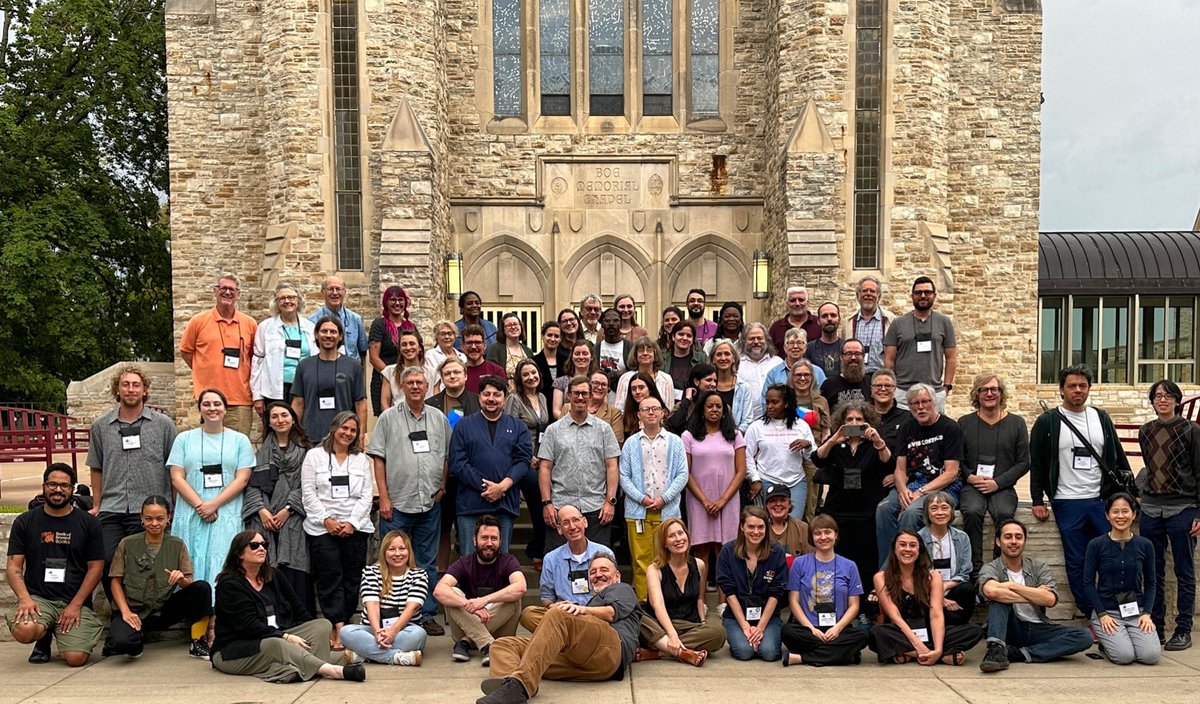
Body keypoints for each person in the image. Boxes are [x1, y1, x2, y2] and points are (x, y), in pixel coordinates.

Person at [1030, 364, 1133, 612]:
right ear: (1061, 390)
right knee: (1077, 561)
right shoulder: (1047, 421)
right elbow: (1038, 463)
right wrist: (1037, 499)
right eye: (1072, 386)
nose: (1078, 390)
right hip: (1066, 501)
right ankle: (1090, 612)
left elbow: (1118, 457)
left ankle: (1117, 610)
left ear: (1089, 388)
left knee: (1114, 557)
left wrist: (1128, 497)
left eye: (1082, 385)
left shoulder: (1101, 418)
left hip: (1101, 500)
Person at [479, 552, 641, 704]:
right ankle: (507, 685)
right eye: (593, 572)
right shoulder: (592, 602)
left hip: (610, 651)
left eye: (604, 570)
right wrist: (563, 610)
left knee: (558, 615)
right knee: (503, 644)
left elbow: (611, 613)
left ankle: (520, 685)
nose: (598, 574)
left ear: (617, 576)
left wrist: (579, 610)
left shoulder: (622, 588)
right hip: (581, 661)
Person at [211, 530, 366, 683]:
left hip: (275, 635)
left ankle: (302, 668)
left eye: (264, 545)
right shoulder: (230, 584)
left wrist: (315, 632)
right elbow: (248, 626)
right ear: (239, 554)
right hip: (235, 650)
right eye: (254, 545)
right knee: (275, 643)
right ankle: (332, 670)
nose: (262, 548)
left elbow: (298, 608)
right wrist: (285, 636)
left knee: (322, 625)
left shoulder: (273, 575)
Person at [368, 365, 453, 637]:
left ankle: (426, 615)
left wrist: (442, 486)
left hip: (429, 503)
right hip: (396, 504)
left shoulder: (439, 418)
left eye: (420, 382)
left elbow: (445, 457)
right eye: (410, 382)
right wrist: (383, 497)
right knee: (392, 560)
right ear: (402, 387)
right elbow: (378, 459)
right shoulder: (388, 418)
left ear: (427, 387)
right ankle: (391, 615)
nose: (415, 386)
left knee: (426, 562)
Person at [85, 365, 177, 588]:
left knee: (143, 565)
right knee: (107, 561)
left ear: (145, 390)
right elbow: (96, 467)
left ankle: (139, 607)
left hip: (150, 509)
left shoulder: (164, 425)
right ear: (117, 390)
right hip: (112, 507)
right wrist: (97, 504)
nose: (131, 389)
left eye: (136, 385)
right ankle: (118, 607)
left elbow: (174, 468)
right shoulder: (100, 426)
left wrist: (173, 506)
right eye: (125, 385)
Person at [5, 464, 105, 666]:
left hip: (74, 600)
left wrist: (76, 605)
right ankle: (43, 636)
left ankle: (62, 634)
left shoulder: (89, 523)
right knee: (25, 631)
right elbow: (14, 567)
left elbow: (96, 568)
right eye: (52, 484)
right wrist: (25, 600)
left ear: (72, 489)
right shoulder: (25, 521)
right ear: (44, 486)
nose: (58, 490)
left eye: (64, 486)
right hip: (39, 599)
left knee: (76, 658)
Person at [976, 519, 1094, 673]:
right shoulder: (991, 567)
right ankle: (996, 650)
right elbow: (991, 592)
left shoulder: (1039, 567)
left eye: (1019, 537)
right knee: (999, 599)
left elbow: (1050, 599)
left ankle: (1019, 654)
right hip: (1010, 627)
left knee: (1084, 636)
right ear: (998, 541)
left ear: (1024, 541)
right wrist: (1035, 593)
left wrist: (1012, 586)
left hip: (1038, 627)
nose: (1013, 541)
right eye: (1008, 537)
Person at [168, 388, 254, 594]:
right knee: (191, 560)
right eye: (206, 404)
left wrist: (213, 505)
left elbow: (242, 478)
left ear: (225, 409)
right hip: (192, 510)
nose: (212, 408)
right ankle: (194, 608)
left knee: (223, 559)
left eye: (217, 404)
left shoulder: (240, 440)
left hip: (226, 511)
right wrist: (201, 505)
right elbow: (176, 477)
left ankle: (220, 608)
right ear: (199, 409)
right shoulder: (184, 439)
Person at [105, 496, 213, 659]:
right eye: (148, 518)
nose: (154, 523)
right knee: (121, 644)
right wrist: (126, 612)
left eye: (160, 518)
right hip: (134, 610)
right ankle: (135, 637)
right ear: (141, 518)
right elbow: (115, 581)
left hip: (163, 610)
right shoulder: (127, 543)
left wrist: (181, 579)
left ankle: (198, 641)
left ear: (168, 518)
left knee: (202, 587)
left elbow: (189, 583)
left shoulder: (177, 544)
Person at [301, 411, 373, 651]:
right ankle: (337, 625)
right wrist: (326, 520)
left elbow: (366, 495)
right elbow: (308, 492)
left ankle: (347, 621)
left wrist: (352, 522)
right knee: (329, 576)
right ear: (334, 428)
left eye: (353, 430)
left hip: (355, 527)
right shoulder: (314, 456)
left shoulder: (361, 460)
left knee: (353, 578)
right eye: (344, 428)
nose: (348, 433)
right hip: (322, 528)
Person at [1138, 379, 1200, 651]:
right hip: (1151, 508)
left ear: (1177, 400)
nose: (1162, 400)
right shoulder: (1146, 430)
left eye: (1168, 396)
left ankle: (1183, 629)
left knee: (1184, 570)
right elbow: (1150, 467)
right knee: (1153, 571)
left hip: (1183, 508)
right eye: (1157, 396)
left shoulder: (1191, 430)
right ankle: (1156, 627)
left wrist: (1199, 512)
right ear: (1152, 401)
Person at [875, 384, 964, 569]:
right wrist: (902, 490)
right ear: (909, 406)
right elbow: (900, 469)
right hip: (913, 483)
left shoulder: (950, 427)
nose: (921, 407)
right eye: (915, 403)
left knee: (911, 513)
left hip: (943, 487)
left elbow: (952, 473)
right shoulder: (906, 427)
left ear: (934, 402)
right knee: (884, 509)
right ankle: (889, 567)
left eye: (925, 402)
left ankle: (898, 570)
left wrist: (921, 492)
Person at [813, 400, 893, 595]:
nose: (854, 423)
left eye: (859, 419)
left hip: (866, 510)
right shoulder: (836, 443)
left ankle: (865, 602)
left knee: (865, 559)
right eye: (849, 419)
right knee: (839, 557)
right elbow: (817, 459)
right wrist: (834, 439)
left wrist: (878, 441)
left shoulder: (874, 444)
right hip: (838, 509)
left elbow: (888, 462)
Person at [869, 531, 983, 666]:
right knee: (877, 633)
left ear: (919, 550)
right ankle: (934, 654)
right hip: (901, 631)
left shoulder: (933, 577)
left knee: (974, 631)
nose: (907, 549)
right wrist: (919, 647)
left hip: (928, 631)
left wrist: (938, 649)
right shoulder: (881, 577)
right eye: (902, 545)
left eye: (913, 545)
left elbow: (936, 615)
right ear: (894, 549)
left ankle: (910, 653)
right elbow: (895, 616)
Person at [958, 373, 1030, 578]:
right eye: (984, 390)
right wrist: (970, 477)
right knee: (972, 511)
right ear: (977, 394)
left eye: (994, 389)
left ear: (1001, 393)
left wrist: (998, 483)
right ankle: (974, 571)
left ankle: (1000, 570)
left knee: (1005, 513)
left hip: (1003, 486)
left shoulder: (1016, 423)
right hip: (973, 485)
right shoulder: (964, 423)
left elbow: (1024, 462)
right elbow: (957, 459)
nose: (989, 394)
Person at [244, 401, 314, 612]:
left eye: (284, 415)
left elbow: (310, 486)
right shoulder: (258, 453)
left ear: (293, 419)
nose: (280, 420)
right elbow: (251, 485)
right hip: (265, 520)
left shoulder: (307, 452)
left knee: (294, 569)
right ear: (269, 422)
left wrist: (288, 509)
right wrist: (262, 511)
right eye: (274, 417)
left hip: (294, 519)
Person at [538, 376, 621, 550]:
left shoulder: (604, 429)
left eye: (584, 393)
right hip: (561, 508)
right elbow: (545, 468)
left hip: (597, 509)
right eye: (576, 393)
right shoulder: (553, 430)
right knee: (559, 561)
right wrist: (546, 503)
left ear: (591, 396)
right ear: (568, 395)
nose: (580, 397)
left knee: (598, 561)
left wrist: (610, 502)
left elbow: (612, 466)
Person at [451, 375, 533, 550]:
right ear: (479, 396)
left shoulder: (518, 427)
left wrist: (502, 487)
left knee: (501, 560)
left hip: (504, 504)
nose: (491, 399)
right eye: (486, 394)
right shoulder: (463, 426)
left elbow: (523, 461)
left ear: (505, 398)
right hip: (470, 505)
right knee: (469, 560)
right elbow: (458, 463)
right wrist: (486, 487)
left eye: (497, 394)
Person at [619, 395, 689, 599]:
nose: (651, 412)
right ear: (638, 414)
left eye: (655, 408)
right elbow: (623, 476)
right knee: (640, 561)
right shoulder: (631, 443)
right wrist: (641, 498)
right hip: (637, 512)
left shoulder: (675, 442)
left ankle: (666, 604)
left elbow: (682, 474)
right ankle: (644, 604)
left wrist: (664, 498)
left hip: (668, 511)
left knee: (667, 559)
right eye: (645, 409)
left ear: (663, 413)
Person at [434, 516, 528, 665]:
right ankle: (488, 644)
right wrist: (468, 605)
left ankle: (467, 641)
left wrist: (483, 601)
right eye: (484, 538)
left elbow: (521, 587)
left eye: (494, 538)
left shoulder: (508, 561)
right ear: (474, 540)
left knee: (513, 596)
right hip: (467, 625)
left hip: (500, 630)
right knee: (452, 593)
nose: (489, 543)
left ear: (500, 542)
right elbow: (439, 590)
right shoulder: (464, 563)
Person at [781, 514, 870, 667]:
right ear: (812, 537)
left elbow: (854, 605)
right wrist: (811, 628)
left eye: (827, 532)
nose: (823, 537)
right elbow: (793, 601)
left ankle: (801, 658)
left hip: (838, 628)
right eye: (817, 533)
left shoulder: (849, 566)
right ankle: (844, 654)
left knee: (863, 635)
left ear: (836, 535)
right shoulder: (799, 563)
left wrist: (837, 628)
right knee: (787, 632)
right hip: (808, 628)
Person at [1082, 492, 1161, 665]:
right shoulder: (1096, 545)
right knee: (1124, 657)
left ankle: (1125, 639)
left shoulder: (1145, 545)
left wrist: (1147, 613)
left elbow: (1151, 583)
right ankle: (1107, 642)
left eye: (1125, 511)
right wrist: (1102, 614)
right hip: (1107, 612)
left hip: (1136, 612)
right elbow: (1087, 584)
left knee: (1151, 656)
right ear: (1107, 515)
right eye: (1115, 511)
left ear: (1133, 514)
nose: (1120, 516)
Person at [635, 518, 724, 665]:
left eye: (681, 533)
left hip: (689, 625)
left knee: (718, 633)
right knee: (636, 615)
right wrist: (672, 634)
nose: (678, 539)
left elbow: (699, 599)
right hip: (660, 625)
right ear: (664, 543)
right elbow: (658, 606)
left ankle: (658, 652)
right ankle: (683, 651)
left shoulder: (699, 565)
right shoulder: (655, 569)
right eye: (671, 536)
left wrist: (703, 623)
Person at [180, 274, 258, 435]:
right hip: (207, 399)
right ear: (215, 291)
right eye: (223, 288)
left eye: (232, 289)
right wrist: (204, 371)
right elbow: (186, 351)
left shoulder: (249, 324)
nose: (228, 292)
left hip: (240, 400)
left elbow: (253, 359)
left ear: (238, 294)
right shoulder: (198, 321)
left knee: (238, 446)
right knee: (206, 445)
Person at [338, 530, 427, 666]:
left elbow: (411, 608)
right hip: (372, 630)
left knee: (418, 634)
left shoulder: (419, 575)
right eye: (391, 549)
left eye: (402, 549)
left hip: (404, 629)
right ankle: (397, 657)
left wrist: (393, 632)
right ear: (384, 552)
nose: (397, 554)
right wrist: (377, 632)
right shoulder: (370, 572)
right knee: (345, 632)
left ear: (409, 551)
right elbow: (372, 604)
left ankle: (364, 654)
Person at [683, 389, 746, 581]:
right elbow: (686, 473)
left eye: (719, 406)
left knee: (725, 551)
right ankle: (700, 597)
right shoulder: (688, 436)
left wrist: (722, 501)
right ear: (701, 410)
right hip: (698, 500)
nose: (714, 409)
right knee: (701, 551)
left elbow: (741, 471)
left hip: (728, 499)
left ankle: (725, 597)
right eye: (709, 406)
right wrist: (705, 501)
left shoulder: (735, 435)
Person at [520, 505, 613, 633]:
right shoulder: (551, 559)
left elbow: (614, 591)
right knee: (528, 614)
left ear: (585, 522)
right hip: (565, 617)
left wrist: (590, 611)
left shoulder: (604, 553)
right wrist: (552, 606)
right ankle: (573, 636)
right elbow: (547, 596)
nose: (572, 527)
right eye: (566, 523)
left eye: (576, 520)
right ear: (559, 529)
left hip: (595, 615)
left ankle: (568, 637)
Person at [716, 506, 787, 661]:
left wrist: (760, 628)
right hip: (736, 616)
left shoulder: (777, 552)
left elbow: (776, 593)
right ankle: (744, 639)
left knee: (769, 653)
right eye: (751, 526)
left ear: (767, 528)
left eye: (761, 527)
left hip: (768, 617)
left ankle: (760, 639)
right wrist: (745, 627)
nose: (756, 532)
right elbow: (729, 592)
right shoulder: (728, 551)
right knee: (744, 652)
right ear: (742, 527)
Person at [883, 276, 957, 412]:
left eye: (927, 292)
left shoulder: (944, 322)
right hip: (903, 392)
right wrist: (891, 387)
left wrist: (946, 387)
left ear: (934, 295)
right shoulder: (898, 323)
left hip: (934, 392)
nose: (923, 296)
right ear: (912, 296)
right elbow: (889, 359)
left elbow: (951, 357)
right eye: (918, 292)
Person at [290, 315, 368, 441]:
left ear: (340, 336)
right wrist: (294, 433)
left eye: (333, 332)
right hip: (310, 436)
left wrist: (361, 434)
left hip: (344, 436)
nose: (328, 335)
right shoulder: (304, 365)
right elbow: (298, 403)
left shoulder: (353, 366)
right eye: (324, 331)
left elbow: (360, 403)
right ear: (316, 335)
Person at [505, 359, 552, 565]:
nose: (531, 377)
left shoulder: (541, 397)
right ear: (519, 378)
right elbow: (509, 431)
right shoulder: (514, 399)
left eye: (533, 373)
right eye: (525, 374)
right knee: (542, 502)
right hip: (523, 460)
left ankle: (538, 548)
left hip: (543, 458)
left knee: (542, 505)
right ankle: (537, 551)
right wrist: (528, 456)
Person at [745, 384, 814, 517]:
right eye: (767, 402)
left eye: (774, 402)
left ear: (786, 403)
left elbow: (812, 458)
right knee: (769, 523)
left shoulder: (801, 425)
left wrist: (808, 445)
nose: (769, 406)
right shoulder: (756, 427)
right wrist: (755, 479)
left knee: (794, 523)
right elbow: (747, 455)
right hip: (767, 481)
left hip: (795, 483)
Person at [251, 282, 316, 416]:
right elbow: (257, 361)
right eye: (282, 298)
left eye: (291, 297)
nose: (287, 301)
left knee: (302, 425)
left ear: (298, 300)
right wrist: (257, 396)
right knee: (277, 423)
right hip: (274, 390)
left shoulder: (310, 327)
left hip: (305, 387)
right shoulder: (265, 327)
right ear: (276, 303)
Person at [917, 492, 975, 625]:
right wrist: (937, 595)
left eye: (944, 508)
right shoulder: (918, 538)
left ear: (951, 511)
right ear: (927, 512)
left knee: (967, 589)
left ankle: (954, 626)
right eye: (934, 508)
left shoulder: (962, 537)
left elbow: (965, 572)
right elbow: (917, 574)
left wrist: (944, 586)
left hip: (952, 588)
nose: (940, 513)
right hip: (926, 591)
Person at [367, 285, 415, 416]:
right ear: (386, 302)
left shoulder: (410, 327)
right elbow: (374, 358)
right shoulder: (379, 325)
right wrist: (393, 376)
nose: (397, 303)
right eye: (393, 299)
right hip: (384, 380)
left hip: (408, 380)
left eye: (400, 299)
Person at [309, 275, 368, 361]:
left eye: (338, 289)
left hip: (350, 367)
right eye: (330, 289)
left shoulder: (355, 319)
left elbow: (363, 351)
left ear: (344, 293)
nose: (335, 293)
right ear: (323, 292)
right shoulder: (312, 321)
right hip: (323, 366)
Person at [842, 275, 891, 373]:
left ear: (879, 296)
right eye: (864, 291)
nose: (868, 294)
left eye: (872, 291)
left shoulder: (890, 320)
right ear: (858, 296)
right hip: (855, 376)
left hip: (880, 377)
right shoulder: (848, 322)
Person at [614, 336, 675, 411]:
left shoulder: (666, 379)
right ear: (635, 355)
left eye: (649, 350)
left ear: (655, 354)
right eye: (641, 350)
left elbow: (669, 409)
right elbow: (619, 409)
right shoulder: (625, 378)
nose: (645, 353)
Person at [737, 323, 783, 419]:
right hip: (747, 419)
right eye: (751, 339)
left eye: (759, 338)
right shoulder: (737, 364)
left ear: (766, 340)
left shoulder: (777, 362)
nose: (756, 342)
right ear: (744, 341)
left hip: (776, 418)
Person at [763, 328, 826, 395]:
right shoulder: (773, 374)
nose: (795, 346)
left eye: (799, 343)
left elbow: (825, 396)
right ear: (785, 348)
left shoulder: (817, 372)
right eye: (791, 343)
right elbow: (765, 398)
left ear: (805, 348)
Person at [711, 339, 754, 432]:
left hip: (736, 437)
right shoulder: (708, 386)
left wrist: (733, 436)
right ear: (713, 359)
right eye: (719, 354)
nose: (723, 358)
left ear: (734, 358)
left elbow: (747, 421)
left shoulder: (744, 388)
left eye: (727, 354)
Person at [379, 328, 427, 410]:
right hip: (397, 415)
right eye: (404, 344)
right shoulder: (389, 372)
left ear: (419, 347)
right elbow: (384, 403)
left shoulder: (431, 372)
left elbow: (435, 401)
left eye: (412, 344)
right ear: (400, 349)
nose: (408, 348)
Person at [665, 363, 717, 435]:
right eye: (709, 380)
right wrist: (688, 399)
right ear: (696, 381)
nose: (713, 384)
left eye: (715, 381)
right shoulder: (684, 405)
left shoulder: (720, 406)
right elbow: (673, 425)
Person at [487, 312, 535, 388]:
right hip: (505, 392)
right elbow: (491, 374)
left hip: (526, 392)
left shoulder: (528, 350)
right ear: (503, 330)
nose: (513, 327)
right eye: (509, 325)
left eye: (515, 324)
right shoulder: (496, 349)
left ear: (521, 326)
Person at [553, 339, 600, 418]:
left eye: (585, 354)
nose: (581, 357)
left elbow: (603, 408)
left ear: (591, 357)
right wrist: (573, 421)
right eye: (577, 354)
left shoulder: (598, 382)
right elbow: (556, 411)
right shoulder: (560, 382)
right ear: (572, 357)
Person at [820, 338, 871, 409]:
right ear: (841, 357)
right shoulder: (828, 385)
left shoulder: (871, 383)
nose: (853, 358)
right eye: (848, 354)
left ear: (863, 357)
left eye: (857, 353)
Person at [665, 319, 708, 403]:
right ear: (673, 337)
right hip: (667, 404)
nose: (684, 338)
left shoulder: (703, 359)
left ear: (693, 339)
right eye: (681, 334)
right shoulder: (662, 359)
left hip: (694, 404)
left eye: (689, 335)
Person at [769, 286, 821, 353]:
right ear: (787, 303)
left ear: (807, 303)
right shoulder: (776, 328)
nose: (797, 304)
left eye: (801, 300)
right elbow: (770, 354)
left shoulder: (819, 324)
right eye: (793, 300)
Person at [764, 485, 812, 557]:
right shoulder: (760, 528)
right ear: (767, 505)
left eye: (782, 500)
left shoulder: (802, 528)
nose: (778, 504)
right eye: (773, 501)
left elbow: (810, 559)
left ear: (789, 504)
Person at [621, 372, 670, 440]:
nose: (637, 392)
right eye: (634, 389)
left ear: (650, 389)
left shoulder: (662, 412)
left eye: (641, 388)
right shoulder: (628, 414)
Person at [870, 368, 909, 448]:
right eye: (878, 386)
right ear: (871, 390)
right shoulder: (862, 417)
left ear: (895, 390)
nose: (883, 389)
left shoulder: (907, 418)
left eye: (888, 386)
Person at [426, 320, 467, 397]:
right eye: (443, 334)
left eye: (450, 334)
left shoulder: (462, 356)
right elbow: (433, 380)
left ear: (455, 336)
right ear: (437, 337)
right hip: (440, 397)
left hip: (461, 396)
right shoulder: (430, 355)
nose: (447, 337)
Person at [462, 324, 507, 393]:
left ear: (485, 345)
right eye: (469, 343)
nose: (473, 347)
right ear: (462, 347)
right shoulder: (458, 372)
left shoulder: (497, 371)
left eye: (477, 342)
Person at [595, 308, 632, 391]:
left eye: (615, 320)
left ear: (621, 324)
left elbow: (634, 371)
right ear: (602, 324)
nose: (611, 324)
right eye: (607, 320)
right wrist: (615, 374)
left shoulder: (630, 347)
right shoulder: (595, 349)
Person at [806, 302, 845, 378]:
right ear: (818, 321)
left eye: (833, 315)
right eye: (824, 316)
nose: (829, 319)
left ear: (839, 319)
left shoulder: (846, 347)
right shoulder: (809, 348)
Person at [531, 321, 567, 402]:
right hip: (540, 405)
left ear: (560, 339)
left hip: (563, 406)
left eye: (556, 336)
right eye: (549, 335)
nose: (553, 339)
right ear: (543, 336)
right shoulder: (533, 362)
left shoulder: (567, 361)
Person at [587, 371, 626, 444]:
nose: (599, 387)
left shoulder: (614, 413)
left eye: (604, 385)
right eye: (595, 383)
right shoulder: (569, 408)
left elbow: (617, 443)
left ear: (608, 389)